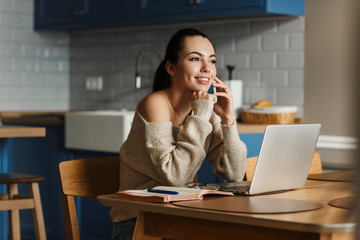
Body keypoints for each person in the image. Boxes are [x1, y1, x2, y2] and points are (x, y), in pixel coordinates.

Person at [111, 28, 247, 240]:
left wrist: (228, 120)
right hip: (141, 223)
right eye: (195, 59)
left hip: (182, 216)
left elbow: (234, 173)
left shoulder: (204, 110)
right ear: (171, 68)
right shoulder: (155, 104)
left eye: (212, 61)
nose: (207, 69)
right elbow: (174, 178)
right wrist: (201, 114)